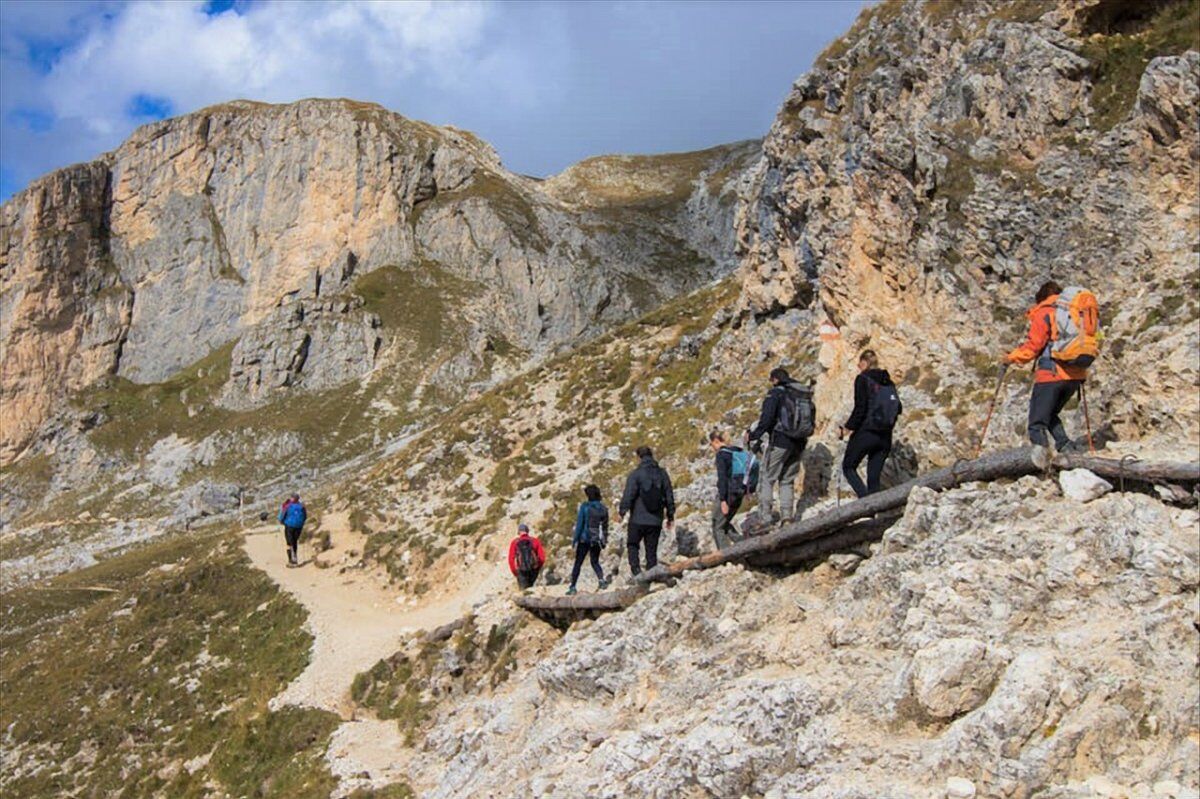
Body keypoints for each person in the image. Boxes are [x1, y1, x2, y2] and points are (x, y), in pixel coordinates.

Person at [1003, 280, 1087, 451]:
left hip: (1051, 373)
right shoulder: (1075, 312)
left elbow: (1033, 346)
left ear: (1041, 297)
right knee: (1050, 414)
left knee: (1036, 423)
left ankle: (1040, 463)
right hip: (1076, 375)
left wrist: (1011, 357)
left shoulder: (1045, 312)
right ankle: (1065, 447)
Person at [748, 367, 813, 523]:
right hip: (799, 442)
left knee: (767, 478)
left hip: (780, 441)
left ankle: (765, 518)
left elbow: (767, 418)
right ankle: (787, 517)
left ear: (775, 379)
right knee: (787, 480)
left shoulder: (777, 393)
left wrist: (754, 435)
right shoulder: (801, 394)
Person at [840, 350, 902, 498]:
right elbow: (898, 408)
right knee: (874, 478)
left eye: (860, 363)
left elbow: (860, 408)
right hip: (885, 435)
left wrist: (847, 428)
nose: (858, 366)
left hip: (867, 432)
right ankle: (875, 512)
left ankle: (866, 504)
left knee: (848, 467)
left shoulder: (863, 379)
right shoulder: (888, 381)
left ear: (865, 363)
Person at [618, 446, 675, 577]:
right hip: (656, 519)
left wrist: (622, 511)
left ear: (639, 457)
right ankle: (652, 574)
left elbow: (629, 495)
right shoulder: (662, 473)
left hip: (637, 518)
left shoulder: (635, 474)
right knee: (651, 549)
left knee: (632, 544)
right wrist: (670, 516)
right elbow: (669, 495)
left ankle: (636, 572)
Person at [567, 484, 612, 595]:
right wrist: (604, 539)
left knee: (578, 563)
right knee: (595, 561)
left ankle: (573, 587)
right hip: (597, 539)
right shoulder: (603, 508)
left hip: (584, 539)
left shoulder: (585, 507)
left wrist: (575, 539)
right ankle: (601, 580)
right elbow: (605, 526)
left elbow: (580, 524)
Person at [709, 430, 749, 550]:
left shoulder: (721, 455)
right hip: (739, 494)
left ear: (716, 441)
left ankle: (725, 555)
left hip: (728, 496)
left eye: (711, 445)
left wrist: (723, 500)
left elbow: (722, 479)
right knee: (725, 523)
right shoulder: (736, 451)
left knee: (717, 526)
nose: (712, 448)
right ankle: (744, 544)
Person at [507, 523, 546, 590]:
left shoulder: (515, 542)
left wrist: (515, 572)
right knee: (533, 590)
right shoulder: (535, 541)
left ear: (519, 532)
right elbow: (542, 557)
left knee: (524, 592)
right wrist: (537, 567)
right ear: (527, 531)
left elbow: (511, 559)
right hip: (533, 569)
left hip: (521, 570)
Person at [278, 493, 307, 567]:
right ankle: (295, 558)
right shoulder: (302, 506)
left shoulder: (288, 505)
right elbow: (305, 516)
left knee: (289, 542)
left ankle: (291, 560)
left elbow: (282, 515)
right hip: (299, 526)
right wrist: (301, 523)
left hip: (289, 525)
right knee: (294, 541)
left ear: (292, 498)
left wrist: (281, 521)